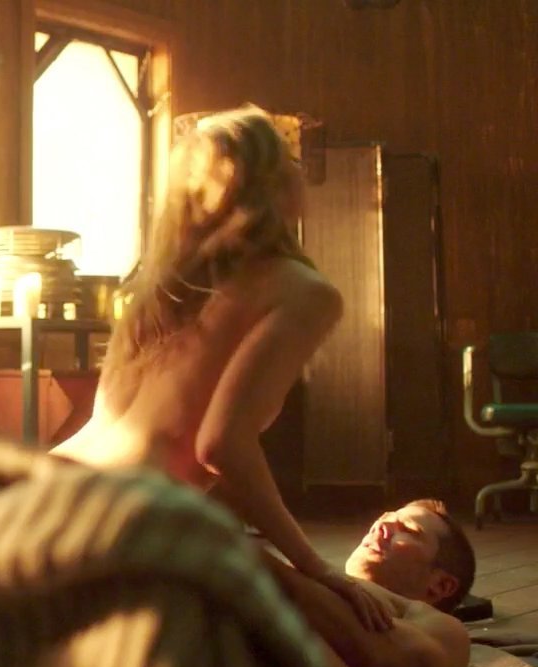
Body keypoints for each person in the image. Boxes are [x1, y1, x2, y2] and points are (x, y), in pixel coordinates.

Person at [51, 104, 391, 630]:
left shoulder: (156, 291)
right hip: (121, 524)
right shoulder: (304, 291)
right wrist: (317, 566)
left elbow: (108, 422)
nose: (300, 171)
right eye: (290, 159)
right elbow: (221, 445)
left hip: (48, 491)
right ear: (273, 183)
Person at [262, 498, 475, 667]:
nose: (381, 525)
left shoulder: (447, 632)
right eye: (385, 518)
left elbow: (386, 653)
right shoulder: (305, 577)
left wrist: (249, 557)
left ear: (440, 585)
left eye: (408, 530)